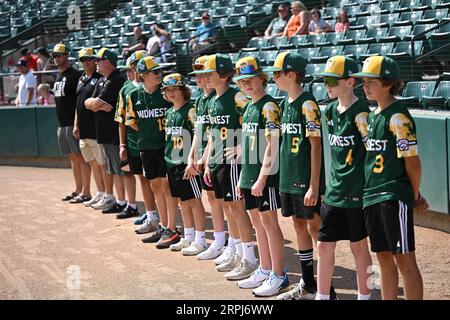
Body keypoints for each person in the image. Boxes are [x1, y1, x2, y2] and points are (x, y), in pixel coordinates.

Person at [353, 56, 429, 300]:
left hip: (392, 196)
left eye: (371, 82)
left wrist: (414, 194)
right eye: (363, 82)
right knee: (383, 258)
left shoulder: (398, 117)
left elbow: (412, 161)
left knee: (404, 260)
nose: (365, 86)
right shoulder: (373, 115)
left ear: (388, 83)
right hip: (372, 196)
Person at [264, 52, 330, 300]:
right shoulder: (283, 104)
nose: (274, 78)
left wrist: (314, 186)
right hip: (287, 178)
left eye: (277, 73)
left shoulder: (308, 104)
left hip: (305, 179)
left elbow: (316, 145)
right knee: (298, 225)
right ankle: (308, 283)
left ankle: (326, 288)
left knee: (315, 228)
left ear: (291, 74)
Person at [314, 56, 373, 300]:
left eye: (332, 80)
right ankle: (322, 296)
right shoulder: (329, 111)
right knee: (323, 245)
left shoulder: (361, 113)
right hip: (334, 192)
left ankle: (364, 296)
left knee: (359, 247)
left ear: (350, 82)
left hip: (356, 193)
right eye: (325, 80)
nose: (327, 84)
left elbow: (372, 152)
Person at [197, 54, 257, 281]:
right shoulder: (212, 101)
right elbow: (213, 134)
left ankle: (248, 257)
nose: (206, 78)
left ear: (224, 75)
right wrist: (207, 160)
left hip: (232, 161)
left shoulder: (237, 97)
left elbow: (250, 123)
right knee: (228, 207)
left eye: (210, 74)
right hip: (218, 160)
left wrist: (242, 146)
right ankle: (235, 249)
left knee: (237, 208)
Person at [233, 56, 288, 297]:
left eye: (251, 79)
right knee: (258, 224)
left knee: (269, 223)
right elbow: (248, 146)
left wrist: (262, 178)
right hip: (250, 176)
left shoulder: (269, 106)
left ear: (261, 79)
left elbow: (272, 145)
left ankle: (279, 274)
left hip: (265, 177)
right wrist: (243, 177)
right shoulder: (247, 107)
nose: (246, 84)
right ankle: (265, 269)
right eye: (242, 80)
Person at [125, 56, 175, 248]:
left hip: (164, 147)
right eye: (155, 72)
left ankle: (171, 228)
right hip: (145, 147)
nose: (159, 74)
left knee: (166, 187)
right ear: (143, 75)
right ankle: (163, 226)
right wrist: (148, 132)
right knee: (155, 186)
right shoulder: (134, 96)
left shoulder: (165, 95)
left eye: (160, 71)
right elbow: (132, 122)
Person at [184, 56, 227, 260]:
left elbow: (213, 134)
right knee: (210, 197)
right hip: (203, 155)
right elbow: (198, 132)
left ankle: (222, 241)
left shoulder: (216, 99)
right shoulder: (200, 100)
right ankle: (220, 240)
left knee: (220, 200)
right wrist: (191, 156)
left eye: (203, 74)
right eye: (197, 75)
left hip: (214, 156)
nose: (199, 78)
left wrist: (204, 158)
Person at [160, 73, 208, 255]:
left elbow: (199, 135)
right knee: (183, 201)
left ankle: (200, 240)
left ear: (183, 90)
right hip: (172, 162)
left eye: (174, 89)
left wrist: (193, 160)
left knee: (195, 201)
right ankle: (188, 236)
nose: (171, 93)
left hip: (187, 164)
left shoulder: (191, 110)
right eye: (167, 90)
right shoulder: (169, 112)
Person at [114, 50, 159, 228]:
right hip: (134, 142)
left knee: (158, 181)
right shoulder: (126, 88)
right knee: (142, 178)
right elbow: (121, 120)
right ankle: (151, 214)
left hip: (154, 141)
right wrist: (122, 144)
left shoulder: (156, 87)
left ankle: (158, 215)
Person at [85, 48, 127, 214]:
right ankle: (118, 200)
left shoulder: (115, 80)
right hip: (105, 132)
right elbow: (88, 103)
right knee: (112, 169)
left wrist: (96, 104)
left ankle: (122, 202)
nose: (96, 63)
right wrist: (96, 104)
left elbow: (94, 104)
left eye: (99, 60)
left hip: (113, 133)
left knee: (118, 170)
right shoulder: (105, 80)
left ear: (107, 62)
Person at [51, 44, 91, 203]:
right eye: (55, 56)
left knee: (80, 158)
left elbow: (79, 101)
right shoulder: (58, 77)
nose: (58, 58)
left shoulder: (75, 75)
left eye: (60, 55)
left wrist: (77, 123)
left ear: (67, 55)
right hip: (62, 123)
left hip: (72, 123)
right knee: (72, 158)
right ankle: (78, 189)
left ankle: (86, 192)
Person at [73, 48, 106, 207]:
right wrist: (75, 124)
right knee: (93, 163)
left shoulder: (100, 78)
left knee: (101, 163)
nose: (85, 62)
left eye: (88, 59)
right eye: (82, 60)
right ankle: (100, 192)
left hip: (95, 128)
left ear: (95, 61)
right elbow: (78, 103)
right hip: (83, 129)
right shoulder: (81, 79)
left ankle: (107, 194)